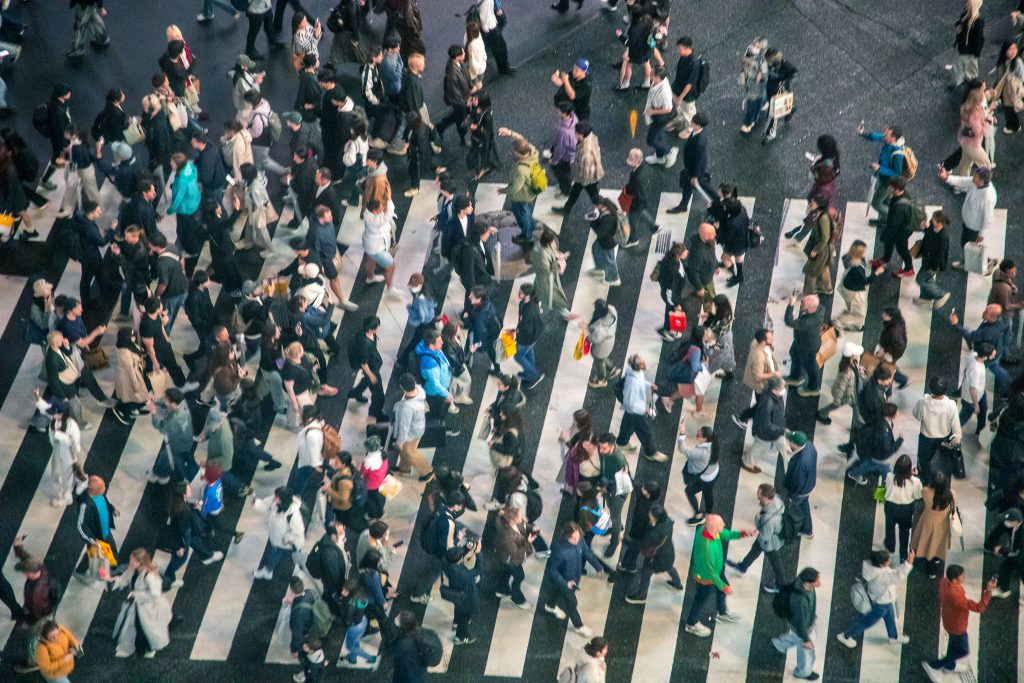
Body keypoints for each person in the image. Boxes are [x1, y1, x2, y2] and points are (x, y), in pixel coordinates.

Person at [683, 514, 754, 637]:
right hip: (706, 578)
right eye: (721, 525)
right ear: (714, 528)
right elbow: (711, 573)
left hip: (716, 570)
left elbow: (725, 534)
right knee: (700, 600)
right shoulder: (707, 548)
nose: (724, 525)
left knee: (723, 587)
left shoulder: (707, 531)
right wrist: (723, 587)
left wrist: (742, 534)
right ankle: (691, 623)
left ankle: (722, 612)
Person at [921, 566, 994, 680]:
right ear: (955, 579)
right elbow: (978, 607)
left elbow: (941, 595)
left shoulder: (944, 581)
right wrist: (988, 591)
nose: (964, 577)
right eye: (962, 575)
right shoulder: (956, 595)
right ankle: (934, 665)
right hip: (957, 626)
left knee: (954, 645)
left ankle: (950, 665)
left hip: (948, 619)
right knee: (963, 650)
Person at [543, 521, 604, 638]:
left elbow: (587, 553)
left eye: (577, 537)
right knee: (572, 603)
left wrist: (598, 567)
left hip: (574, 578)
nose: (576, 541)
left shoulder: (580, 540)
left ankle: (550, 605)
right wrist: (565, 583)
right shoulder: (559, 550)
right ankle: (578, 626)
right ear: (566, 536)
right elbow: (552, 570)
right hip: (565, 582)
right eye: (573, 538)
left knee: (559, 593)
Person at [109, 548, 172, 659]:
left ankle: (146, 648)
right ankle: (142, 648)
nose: (130, 562)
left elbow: (155, 594)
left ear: (139, 562)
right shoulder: (133, 570)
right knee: (139, 627)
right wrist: (112, 579)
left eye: (133, 560)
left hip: (148, 608)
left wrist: (136, 595)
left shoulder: (149, 576)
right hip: (138, 606)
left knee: (145, 628)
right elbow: (125, 578)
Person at [726, 484, 787, 593]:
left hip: (770, 543)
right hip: (771, 535)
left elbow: (765, 536)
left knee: (776, 562)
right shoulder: (776, 498)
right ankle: (742, 567)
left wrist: (758, 518)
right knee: (754, 550)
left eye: (759, 493)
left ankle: (780, 585)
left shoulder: (768, 518)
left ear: (765, 497)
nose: (756, 494)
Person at [625, 504, 682, 604]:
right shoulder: (668, 521)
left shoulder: (654, 534)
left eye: (650, 514)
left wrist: (624, 540)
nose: (649, 515)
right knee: (669, 567)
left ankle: (641, 596)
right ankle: (677, 584)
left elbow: (641, 545)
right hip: (669, 554)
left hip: (657, 559)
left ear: (656, 517)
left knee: (646, 573)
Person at [939, 165, 997, 264]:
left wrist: (982, 234)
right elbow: (962, 181)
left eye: (975, 176)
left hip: (973, 227)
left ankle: (969, 263)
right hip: (968, 222)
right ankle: (981, 260)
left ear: (981, 180)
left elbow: (988, 219)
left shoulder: (988, 197)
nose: (973, 176)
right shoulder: (976, 183)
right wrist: (946, 178)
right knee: (968, 245)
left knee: (968, 246)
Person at [772, 567, 822, 681]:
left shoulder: (805, 584)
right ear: (807, 582)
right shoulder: (799, 600)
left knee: (795, 637)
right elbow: (800, 624)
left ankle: (780, 644)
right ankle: (802, 672)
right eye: (816, 580)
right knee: (807, 652)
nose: (819, 582)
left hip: (803, 622)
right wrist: (806, 639)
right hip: (802, 627)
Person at [616, 354, 666, 463]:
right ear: (638, 366)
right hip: (636, 411)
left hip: (634, 410)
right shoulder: (632, 383)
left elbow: (641, 380)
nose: (645, 364)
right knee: (645, 432)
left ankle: (621, 443)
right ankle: (651, 453)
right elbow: (630, 402)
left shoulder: (633, 371)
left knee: (628, 425)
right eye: (642, 363)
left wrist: (649, 385)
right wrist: (644, 410)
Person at [913, 377, 962, 484]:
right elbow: (956, 425)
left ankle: (926, 480)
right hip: (944, 435)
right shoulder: (951, 405)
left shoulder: (923, 402)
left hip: (926, 436)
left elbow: (916, 415)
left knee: (924, 458)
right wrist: (957, 438)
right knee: (943, 456)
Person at [495, 126, 540, 246]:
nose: (512, 151)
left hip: (521, 196)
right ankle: (531, 224)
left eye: (514, 150)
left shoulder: (521, 170)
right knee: (527, 210)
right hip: (529, 193)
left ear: (518, 153)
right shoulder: (533, 151)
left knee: (521, 215)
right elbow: (522, 140)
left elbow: (515, 187)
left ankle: (527, 236)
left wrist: (504, 190)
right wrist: (510, 133)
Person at [910, 471, 957, 579]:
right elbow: (955, 507)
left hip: (928, 522)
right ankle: (934, 566)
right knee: (938, 545)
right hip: (943, 524)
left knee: (926, 541)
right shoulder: (951, 493)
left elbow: (920, 493)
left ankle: (927, 559)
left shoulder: (926, 492)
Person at [253, 487, 305, 580]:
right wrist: (256, 503)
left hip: (287, 541)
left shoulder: (293, 514)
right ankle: (269, 571)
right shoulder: (277, 500)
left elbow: (299, 531)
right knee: (277, 553)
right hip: (277, 538)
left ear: (282, 500)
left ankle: (270, 571)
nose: (273, 498)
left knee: (284, 554)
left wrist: (286, 538)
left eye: (276, 497)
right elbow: (265, 504)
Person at [553, 121, 604, 216]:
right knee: (577, 192)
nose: (574, 134)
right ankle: (566, 209)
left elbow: (587, 170)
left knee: (592, 195)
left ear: (581, 135)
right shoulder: (591, 136)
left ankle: (603, 210)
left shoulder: (586, 153)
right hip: (587, 176)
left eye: (575, 132)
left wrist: (582, 182)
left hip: (586, 178)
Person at [858, 123, 907, 219]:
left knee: (876, 203)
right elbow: (877, 136)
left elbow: (897, 173)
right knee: (886, 201)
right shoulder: (889, 141)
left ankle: (892, 218)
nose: (884, 134)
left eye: (887, 134)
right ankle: (884, 220)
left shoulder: (897, 153)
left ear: (893, 138)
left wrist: (880, 168)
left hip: (889, 183)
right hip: (884, 178)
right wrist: (863, 133)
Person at [667, 112, 713, 214]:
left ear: (698, 125)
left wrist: (695, 176)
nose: (690, 122)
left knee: (691, 184)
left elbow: (699, 159)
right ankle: (714, 197)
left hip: (694, 168)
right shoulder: (700, 131)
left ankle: (683, 206)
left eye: (692, 122)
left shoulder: (699, 142)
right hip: (693, 166)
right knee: (693, 184)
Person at [847, 402, 903, 485]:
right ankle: (891, 483)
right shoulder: (883, 432)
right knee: (885, 471)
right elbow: (888, 451)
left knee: (870, 464)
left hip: (874, 452)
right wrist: (899, 441)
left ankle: (853, 473)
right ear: (891, 415)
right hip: (881, 457)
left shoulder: (879, 420)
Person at [883, 455, 923, 563]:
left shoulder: (890, 476)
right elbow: (918, 496)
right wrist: (915, 476)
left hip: (891, 507)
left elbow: (886, 487)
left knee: (889, 527)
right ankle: (903, 555)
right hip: (906, 509)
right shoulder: (915, 482)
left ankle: (890, 545)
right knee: (904, 532)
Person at [494, 505, 535, 610]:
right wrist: (527, 543)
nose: (522, 518)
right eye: (520, 517)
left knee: (506, 572)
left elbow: (523, 525)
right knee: (519, 576)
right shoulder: (507, 536)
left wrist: (531, 527)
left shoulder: (512, 523)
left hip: (506, 558)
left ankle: (501, 589)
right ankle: (517, 598)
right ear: (513, 520)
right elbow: (516, 553)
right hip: (510, 560)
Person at [784, 293, 824, 397]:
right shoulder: (820, 309)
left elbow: (788, 321)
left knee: (810, 366)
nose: (801, 302)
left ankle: (813, 387)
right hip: (801, 340)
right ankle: (795, 377)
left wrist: (791, 305)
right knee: (794, 354)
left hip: (807, 346)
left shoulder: (807, 322)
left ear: (810, 307)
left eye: (803, 302)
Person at [816, 342, 864, 425]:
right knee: (853, 408)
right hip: (849, 394)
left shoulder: (850, 362)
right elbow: (841, 386)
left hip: (852, 391)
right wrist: (837, 399)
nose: (858, 355)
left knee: (840, 405)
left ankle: (822, 413)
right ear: (851, 356)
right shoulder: (846, 371)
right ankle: (859, 425)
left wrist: (858, 369)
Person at [913, 210, 953, 308]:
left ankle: (940, 295)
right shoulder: (932, 226)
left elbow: (941, 254)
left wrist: (934, 267)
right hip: (927, 257)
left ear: (940, 223)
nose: (932, 220)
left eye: (934, 219)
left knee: (920, 280)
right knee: (928, 280)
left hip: (933, 263)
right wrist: (924, 229)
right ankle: (925, 298)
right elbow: (929, 234)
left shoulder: (943, 237)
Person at [784, 431, 817, 538]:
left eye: (790, 441)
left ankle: (786, 528)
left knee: (790, 506)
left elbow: (797, 483)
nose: (788, 442)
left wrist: (791, 496)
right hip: (809, 484)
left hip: (801, 490)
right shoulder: (809, 445)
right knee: (804, 505)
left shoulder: (801, 463)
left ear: (795, 444)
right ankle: (807, 530)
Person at [513, 283, 546, 390]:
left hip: (527, 338)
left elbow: (526, 330)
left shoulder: (529, 311)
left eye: (521, 293)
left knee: (518, 356)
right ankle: (529, 373)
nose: (518, 293)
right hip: (534, 335)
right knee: (528, 353)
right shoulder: (529, 303)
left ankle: (535, 375)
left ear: (527, 295)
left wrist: (516, 331)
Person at [801, 194, 834, 294]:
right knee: (824, 267)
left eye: (813, 202)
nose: (811, 203)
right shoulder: (821, 214)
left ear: (819, 205)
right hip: (824, 248)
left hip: (821, 249)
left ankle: (808, 294)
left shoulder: (823, 218)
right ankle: (827, 287)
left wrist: (816, 250)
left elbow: (825, 237)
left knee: (810, 271)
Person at [531, 227, 569, 312]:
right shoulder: (542, 253)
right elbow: (546, 269)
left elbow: (553, 251)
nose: (554, 242)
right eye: (552, 240)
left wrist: (558, 255)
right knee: (554, 296)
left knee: (539, 291)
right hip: (546, 277)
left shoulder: (548, 245)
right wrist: (558, 263)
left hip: (545, 277)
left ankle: (532, 302)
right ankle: (565, 313)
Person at [584, 299, 618, 388]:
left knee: (598, 362)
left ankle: (601, 380)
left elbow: (593, 338)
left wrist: (587, 335)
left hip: (601, 347)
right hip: (609, 342)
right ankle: (611, 369)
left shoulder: (601, 329)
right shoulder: (612, 310)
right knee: (602, 358)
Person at [588, 196, 622, 287]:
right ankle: (600, 268)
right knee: (595, 249)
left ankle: (613, 278)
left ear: (600, 205)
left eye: (595, 206)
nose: (594, 208)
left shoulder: (608, 218)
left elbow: (600, 232)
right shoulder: (608, 206)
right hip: (606, 238)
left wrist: (592, 222)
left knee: (609, 260)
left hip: (608, 241)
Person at [953, 0, 985, 87]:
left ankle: (963, 83)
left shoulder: (977, 21)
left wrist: (977, 52)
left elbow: (979, 38)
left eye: (969, 3)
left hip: (969, 49)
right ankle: (968, 81)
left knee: (961, 66)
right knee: (968, 66)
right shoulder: (966, 13)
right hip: (964, 47)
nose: (966, 4)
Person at [390, 611, 429, 683]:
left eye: (398, 619)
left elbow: (399, 658)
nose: (396, 619)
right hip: (419, 668)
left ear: (404, 625)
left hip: (408, 673)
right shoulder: (418, 631)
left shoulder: (404, 642)